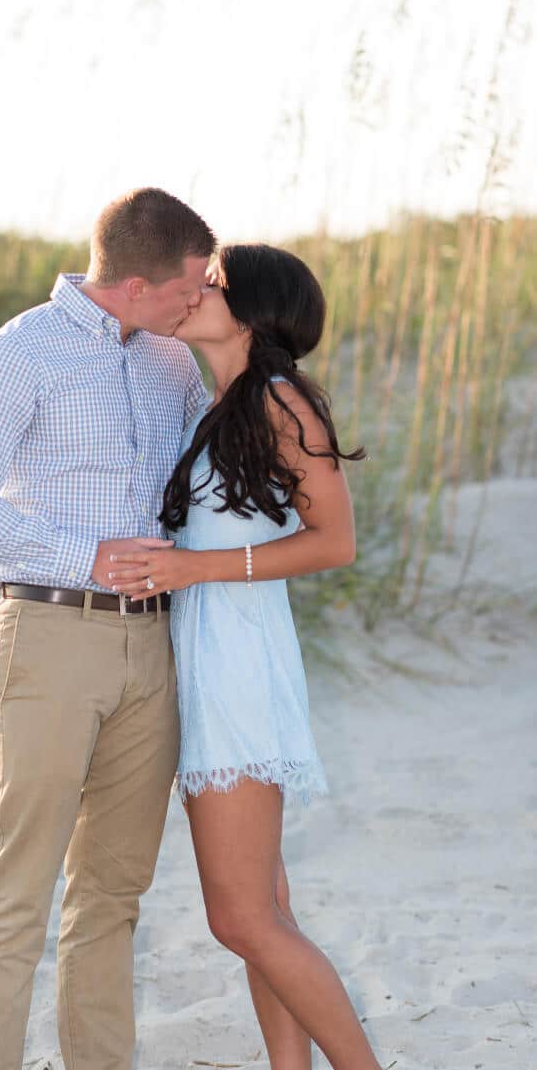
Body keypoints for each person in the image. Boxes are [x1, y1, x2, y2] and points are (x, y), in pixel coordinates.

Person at [0, 187, 215, 1070]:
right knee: (19, 890)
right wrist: (82, 555)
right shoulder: (19, 354)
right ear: (134, 282)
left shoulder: (172, 360)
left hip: (153, 648)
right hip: (47, 639)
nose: (197, 302)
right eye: (189, 288)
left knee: (114, 895)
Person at [107, 243, 379, 1070]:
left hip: (240, 664)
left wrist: (198, 567)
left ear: (254, 312)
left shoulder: (281, 401)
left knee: (241, 918)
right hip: (200, 660)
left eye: (213, 284)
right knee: (267, 906)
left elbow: (335, 543)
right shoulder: (212, 404)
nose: (195, 292)